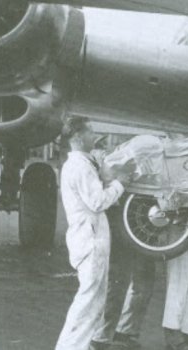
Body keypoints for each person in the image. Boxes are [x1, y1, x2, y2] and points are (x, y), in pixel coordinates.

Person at [55, 116, 132, 350]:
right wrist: (120, 183)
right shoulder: (80, 166)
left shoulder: (81, 164)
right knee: (88, 303)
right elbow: (97, 202)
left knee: (93, 302)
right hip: (90, 241)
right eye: (90, 132)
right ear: (78, 137)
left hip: (88, 238)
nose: (94, 136)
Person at [90, 140, 156, 350]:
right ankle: (103, 336)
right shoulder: (108, 163)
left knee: (140, 281)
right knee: (120, 282)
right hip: (124, 228)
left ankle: (124, 331)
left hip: (141, 228)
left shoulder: (142, 161)